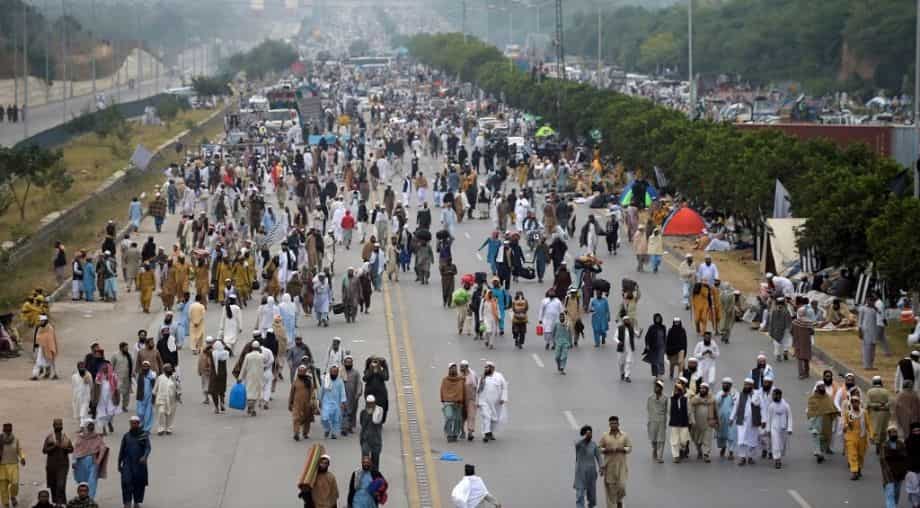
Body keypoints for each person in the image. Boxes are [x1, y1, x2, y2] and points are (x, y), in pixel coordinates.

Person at [117, 416, 150, 508]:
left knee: (138, 483)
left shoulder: (143, 435)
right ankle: (127, 501)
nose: (134, 424)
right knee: (126, 482)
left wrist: (144, 456)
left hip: (140, 465)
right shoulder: (126, 436)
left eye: (136, 423)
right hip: (127, 463)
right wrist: (119, 463)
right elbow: (122, 450)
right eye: (132, 423)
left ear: (138, 424)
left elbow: (148, 447)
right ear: (130, 424)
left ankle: (136, 501)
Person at [599, 416, 631, 508]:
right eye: (611, 423)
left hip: (621, 466)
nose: (613, 425)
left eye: (615, 423)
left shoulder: (624, 435)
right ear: (609, 424)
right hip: (609, 466)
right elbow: (599, 448)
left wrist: (623, 449)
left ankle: (619, 500)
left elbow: (630, 447)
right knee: (611, 488)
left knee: (621, 486)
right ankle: (613, 505)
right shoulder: (605, 436)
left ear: (618, 424)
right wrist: (605, 450)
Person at [71, 421, 108, 499]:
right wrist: (74, 461)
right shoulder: (80, 437)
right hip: (80, 462)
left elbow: (103, 448)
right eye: (89, 425)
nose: (91, 427)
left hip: (92, 462)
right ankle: (83, 498)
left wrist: (99, 460)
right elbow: (76, 449)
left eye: (92, 425)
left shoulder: (97, 437)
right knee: (81, 481)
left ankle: (90, 499)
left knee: (92, 481)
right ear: (86, 427)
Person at [42, 418, 73, 505]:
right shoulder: (49, 437)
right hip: (51, 465)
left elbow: (71, 449)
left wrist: (64, 448)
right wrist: (54, 446)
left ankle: (60, 503)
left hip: (63, 465)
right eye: (57, 424)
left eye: (60, 424)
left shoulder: (65, 437)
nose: (59, 426)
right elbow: (44, 450)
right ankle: (58, 502)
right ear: (53, 426)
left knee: (61, 485)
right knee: (53, 485)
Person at [731, 378, 762, 466]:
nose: (746, 386)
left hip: (753, 421)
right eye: (745, 384)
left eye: (748, 385)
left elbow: (758, 404)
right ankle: (742, 457)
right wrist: (731, 418)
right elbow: (735, 407)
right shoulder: (740, 395)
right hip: (742, 421)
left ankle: (751, 457)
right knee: (741, 440)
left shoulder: (757, 394)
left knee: (752, 440)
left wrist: (752, 396)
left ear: (752, 386)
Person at [807, 381, 839, 463]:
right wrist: (812, 423)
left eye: (823, 386)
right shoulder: (812, 398)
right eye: (820, 387)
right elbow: (810, 411)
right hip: (816, 421)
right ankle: (817, 452)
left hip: (826, 421)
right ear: (817, 388)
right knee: (816, 436)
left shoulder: (827, 397)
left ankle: (821, 453)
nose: (822, 388)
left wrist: (836, 412)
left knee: (824, 438)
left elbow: (832, 407)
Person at [477, 361, 508, 443]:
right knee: (486, 416)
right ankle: (486, 433)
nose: (486, 369)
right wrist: (477, 401)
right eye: (485, 367)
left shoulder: (499, 376)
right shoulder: (482, 377)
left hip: (496, 403)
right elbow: (478, 390)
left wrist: (503, 398)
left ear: (492, 368)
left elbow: (504, 387)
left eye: (488, 367)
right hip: (484, 401)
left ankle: (491, 432)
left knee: (494, 419)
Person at [880, 424, 909, 508]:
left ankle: (894, 504)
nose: (893, 434)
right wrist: (888, 470)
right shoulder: (885, 445)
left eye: (895, 432)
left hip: (899, 472)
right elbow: (883, 459)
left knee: (896, 492)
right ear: (888, 434)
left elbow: (905, 456)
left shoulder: (901, 444)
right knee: (890, 492)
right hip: (888, 473)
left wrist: (904, 469)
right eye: (891, 432)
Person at [574, 425, 602, 508]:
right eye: (587, 433)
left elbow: (599, 457)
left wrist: (601, 467)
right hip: (580, 474)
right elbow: (577, 444)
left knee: (592, 497)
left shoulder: (594, 445)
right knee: (580, 495)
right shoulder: (579, 444)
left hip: (591, 474)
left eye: (590, 433)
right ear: (583, 434)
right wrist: (585, 438)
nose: (589, 435)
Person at [764, 388, 793, 469]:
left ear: (779, 395)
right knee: (775, 444)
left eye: (774, 395)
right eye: (773, 395)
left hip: (783, 428)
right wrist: (768, 429)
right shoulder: (771, 406)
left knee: (782, 445)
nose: (773, 396)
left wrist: (790, 428)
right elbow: (768, 418)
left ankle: (779, 456)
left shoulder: (786, 405)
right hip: (774, 428)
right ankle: (777, 460)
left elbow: (790, 417)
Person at [844, 395, 870, 479]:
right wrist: (846, 425)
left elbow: (868, 425)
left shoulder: (864, 413)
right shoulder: (848, 413)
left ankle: (859, 468)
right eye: (853, 402)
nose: (855, 404)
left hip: (862, 437)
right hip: (851, 437)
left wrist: (872, 435)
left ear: (859, 403)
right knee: (852, 454)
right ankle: (854, 471)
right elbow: (845, 423)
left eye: (856, 402)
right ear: (851, 403)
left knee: (860, 455)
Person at [689, 383, 716, 462]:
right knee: (696, 439)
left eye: (704, 389)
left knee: (707, 439)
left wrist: (715, 420)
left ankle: (706, 454)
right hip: (697, 423)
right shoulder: (695, 399)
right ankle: (699, 450)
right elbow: (691, 411)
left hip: (708, 423)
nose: (702, 390)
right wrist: (692, 420)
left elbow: (715, 410)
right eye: (701, 388)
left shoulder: (711, 399)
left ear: (707, 390)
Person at [92, 362, 121, 435]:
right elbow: (95, 387)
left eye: (106, 368)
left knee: (111, 412)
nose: (104, 370)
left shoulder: (113, 376)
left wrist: (117, 395)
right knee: (102, 414)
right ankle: (104, 428)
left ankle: (109, 422)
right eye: (103, 368)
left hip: (111, 397)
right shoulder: (98, 376)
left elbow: (117, 387)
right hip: (101, 398)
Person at [289, 365, 316, 441]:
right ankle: (296, 433)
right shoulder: (295, 382)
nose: (301, 372)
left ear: (305, 372)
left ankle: (305, 433)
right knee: (296, 418)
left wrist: (312, 401)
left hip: (307, 403)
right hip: (297, 403)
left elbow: (312, 392)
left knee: (307, 419)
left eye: (302, 371)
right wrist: (290, 403)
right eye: (299, 371)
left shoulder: (309, 381)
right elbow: (291, 393)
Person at [239, 341, 265, 417]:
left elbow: (244, 367)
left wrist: (240, 377)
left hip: (249, 376)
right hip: (258, 377)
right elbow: (264, 366)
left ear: (252, 348)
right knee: (256, 393)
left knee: (249, 392)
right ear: (258, 348)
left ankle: (250, 407)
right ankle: (252, 408)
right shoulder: (261, 356)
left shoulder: (248, 356)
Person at [441, 363, 466, 442]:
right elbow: (442, 390)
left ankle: (455, 434)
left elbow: (463, 390)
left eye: (455, 368)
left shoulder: (460, 379)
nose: (453, 370)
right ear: (449, 370)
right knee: (449, 418)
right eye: (452, 368)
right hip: (447, 402)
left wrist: (463, 400)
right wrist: (443, 399)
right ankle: (449, 434)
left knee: (457, 419)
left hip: (458, 403)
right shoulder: (445, 380)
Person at [321, 365, 347, 439]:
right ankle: (327, 429)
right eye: (333, 371)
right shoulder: (325, 380)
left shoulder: (340, 381)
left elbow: (343, 392)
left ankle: (334, 433)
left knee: (336, 419)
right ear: (330, 371)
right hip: (326, 402)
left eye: (336, 371)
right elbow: (321, 391)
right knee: (324, 418)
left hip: (337, 403)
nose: (334, 373)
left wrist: (343, 402)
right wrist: (319, 400)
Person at [868, 376, 894, 450]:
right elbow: (890, 402)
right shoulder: (886, 391)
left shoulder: (870, 392)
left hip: (874, 413)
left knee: (875, 428)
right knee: (884, 428)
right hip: (884, 413)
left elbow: (868, 403)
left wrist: (876, 405)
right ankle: (882, 443)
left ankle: (877, 443)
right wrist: (884, 405)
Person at [153, 364, 179, 436]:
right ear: (164, 370)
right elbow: (155, 389)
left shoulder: (174, 377)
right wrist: (153, 398)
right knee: (161, 412)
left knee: (171, 414)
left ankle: (169, 428)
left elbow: (178, 387)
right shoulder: (160, 378)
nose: (170, 370)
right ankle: (161, 429)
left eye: (170, 368)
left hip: (172, 400)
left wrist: (179, 394)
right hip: (161, 399)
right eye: (168, 369)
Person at [715, 378, 738, 460]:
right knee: (721, 434)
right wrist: (721, 397)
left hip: (731, 418)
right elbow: (716, 403)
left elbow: (736, 405)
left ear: (730, 385)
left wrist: (732, 417)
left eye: (727, 384)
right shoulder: (719, 393)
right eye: (724, 384)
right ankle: (723, 447)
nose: (725, 385)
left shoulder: (734, 393)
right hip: (721, 417)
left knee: (731, 435)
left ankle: (731, 452)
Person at [646, 380, 668, 464]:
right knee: (653, 439)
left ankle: (660, 456)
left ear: (661, 388)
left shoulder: (665, 398)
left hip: (661, 421)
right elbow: (648, 408)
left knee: (661, 439)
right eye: (655, 386)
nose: (656, 388)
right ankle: (654, 449)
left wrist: (665, 421)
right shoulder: (650, 397)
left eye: (658, 387)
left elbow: (666, 410)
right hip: (652, 420)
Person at [31, 315, 59, 380]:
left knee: (50, 362)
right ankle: (35, 375)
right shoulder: (39, 327)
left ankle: (53, 374)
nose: (41, 322)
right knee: (38, 361)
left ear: (45, 321)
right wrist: (36, 345)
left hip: (49, 347)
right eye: (40, 321)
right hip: (41, 348)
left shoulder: (50, 328)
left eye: (42, 321)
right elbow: (37, 337)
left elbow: (51, 338)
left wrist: (51, 347)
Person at [363, 357, 390, 424]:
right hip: (370, 393)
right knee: (370, 407)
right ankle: (370, 422)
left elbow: (386, 377)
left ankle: (380, 421)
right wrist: (371, 370)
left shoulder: (382, 369)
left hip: (381, 394)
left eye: (376, 362)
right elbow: (365, 378)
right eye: (373, 362)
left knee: (381, 408)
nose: (375, 363)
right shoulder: (368, 369)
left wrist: (379, 369)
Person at [360, 395, 384, 468]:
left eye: (372, 403)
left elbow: (377, 421)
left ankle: (374, 474)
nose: (370, 405)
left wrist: (373, 413)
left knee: (375, 460)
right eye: (368, 403)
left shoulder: (378, 412)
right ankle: (365, 475)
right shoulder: (363, 412)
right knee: (365, 459)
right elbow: (362, 424)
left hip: (376, 440)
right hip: (366, 439)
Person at [342, 356, 363, 437]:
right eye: (346, 362)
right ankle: (344, 428)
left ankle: (350, 426)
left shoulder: (356, 373)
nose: (348, 364)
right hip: (343, 395)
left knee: (352, 412)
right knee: (344, 411)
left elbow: (359, 383)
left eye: (349, 362)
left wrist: (358, 393)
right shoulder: (341, 372)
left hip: (353, 395)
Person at [110, 343, 133, 412]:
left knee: (126, 393)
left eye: (127, 347)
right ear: (121, 348)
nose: (127, 349)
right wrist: (111, 376)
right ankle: (115, 405)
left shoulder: (129, 355)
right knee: (117, 392)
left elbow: (131, 366)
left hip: (127, 377)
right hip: (118, 377)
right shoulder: (115, 355)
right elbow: (111, 366)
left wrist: (131, 374)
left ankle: (124, 406)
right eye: (125, 348)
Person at [643, 314, 666, 379]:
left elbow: (664, 337)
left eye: (659, 318)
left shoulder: (663, 327)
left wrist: (665, 347)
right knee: (654, 361)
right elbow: (647, 337)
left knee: (661, 361)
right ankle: (656, 374)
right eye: (656, 318)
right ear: (654, 319)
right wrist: (647, 345)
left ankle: (660, 374)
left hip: (661, 346)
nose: (657, 319)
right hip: (653, 347)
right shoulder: (651, 327)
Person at [460, 361, 478, 442]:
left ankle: (470, 433)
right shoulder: (459, 375)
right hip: (461, 399)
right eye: (461, 366)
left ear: (466, 367)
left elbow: (476, 386)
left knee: (471, 415)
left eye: (463, 366)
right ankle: (462, 431)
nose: (461, 368)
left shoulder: (473, 375)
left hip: (471, 398)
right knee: (462, 417)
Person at [72, 362, 93, 428]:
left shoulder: (88, 375)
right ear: (78, 368)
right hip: (77, 397)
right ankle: (84, 426)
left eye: (83, 367)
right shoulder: (74, 376)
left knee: (83, 413)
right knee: (80, 414)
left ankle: (82, 427)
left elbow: (91, 385)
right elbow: (73, 387)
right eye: (80, 367)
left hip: (86, 397)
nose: (82, 368)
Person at [615, 316, 636, 383]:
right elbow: (614, 337)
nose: (627, 321)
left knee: (628, 362)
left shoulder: (631, 328)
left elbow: (637, 334)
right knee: (621, 363)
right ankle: (622, 373)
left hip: (629, 348)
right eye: (626, 320)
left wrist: (639, 333)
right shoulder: (619, 328)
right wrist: (619, 342)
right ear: (623, 321)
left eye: (628, 320)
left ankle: (627, 376)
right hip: (621, 348)